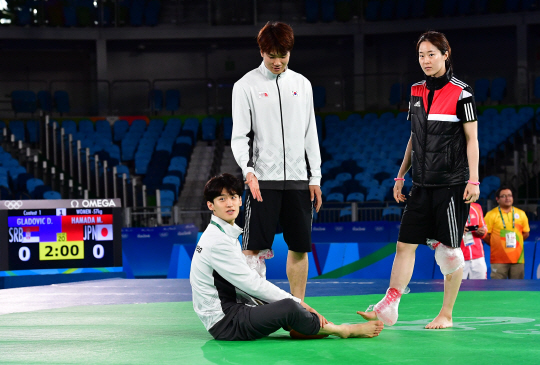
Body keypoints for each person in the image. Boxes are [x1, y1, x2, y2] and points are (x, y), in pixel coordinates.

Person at [358, 30, 480, 329]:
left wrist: (473, 180)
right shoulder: (415, 91)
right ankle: (389, 307)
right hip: (421, 185)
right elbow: (414, 139)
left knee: (449, 252)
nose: (426, 60)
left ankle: (446, 314)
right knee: (404, 245)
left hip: (451, 185)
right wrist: (401, 175)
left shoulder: (462, 93)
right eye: (421, 55)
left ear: (445, 54)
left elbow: (472, 139)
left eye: (431, 54)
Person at [190, 173, 384, 341]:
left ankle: (300, 326)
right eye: (221, 199)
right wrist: (300, 304)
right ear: (210, 205)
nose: (229, 203)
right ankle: (342, 330)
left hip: (230, 312)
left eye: (233, 197)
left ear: (241, 200)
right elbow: (251, 284)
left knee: (276, 301)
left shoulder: (223, 233)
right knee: (289, 305)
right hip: (227, 323)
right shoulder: (217, 241)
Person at [231, 21, 322, 300]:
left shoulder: (302, 84)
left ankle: (298, 308)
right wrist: (249, 172)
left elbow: (310, 134)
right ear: (261, 51)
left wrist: (315, 177)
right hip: (262, 182)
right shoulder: (245, 85)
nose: (278, 61)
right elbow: (239, 136)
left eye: (283, 55)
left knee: (299, 248)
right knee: (252, 250)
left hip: (298, 181)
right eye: (272, 55)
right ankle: (251, 308)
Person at [483, 186, 530, 279]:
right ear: (497, 199)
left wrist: (517, 241)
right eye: (503, 196)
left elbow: (526, 233)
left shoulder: (521, 214)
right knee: (498, 289)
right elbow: (485, 235)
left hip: (518, 259)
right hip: (498, 260)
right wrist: (495, 243)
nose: (507, 198)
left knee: (518, 290)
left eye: (510, 195)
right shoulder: (491, 215)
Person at [461, 202, 488, 279]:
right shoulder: (450, 207)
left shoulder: (476, 207)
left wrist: (482, 232)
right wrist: (457, 232)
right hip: (459, 258)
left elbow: (484, 227)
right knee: (458, 289)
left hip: (478, 257)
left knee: (480, 288)